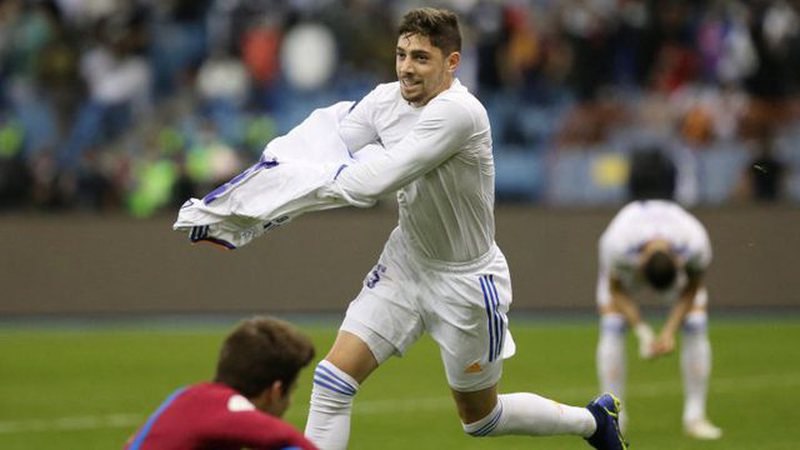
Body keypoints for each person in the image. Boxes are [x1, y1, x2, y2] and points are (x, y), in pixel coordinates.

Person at [303, 8, 626, 450]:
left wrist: (302, 192)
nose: (406, 68)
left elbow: (378, 181)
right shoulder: (385, 100)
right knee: (332, 381)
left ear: (451, 62)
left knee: (481, 420)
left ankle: (593, 422)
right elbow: (328, 146)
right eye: (401, 55)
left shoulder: (461, 113)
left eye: (420, 57)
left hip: (466, 283)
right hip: (407, 262)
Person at [595, 199, 723, 440]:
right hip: (626, 261)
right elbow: (616, 291)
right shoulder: (617, 245)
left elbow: (691, 290)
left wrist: (668, 332)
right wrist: (643, 332)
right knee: (612, 324)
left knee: (696, 322)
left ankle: (695, 418)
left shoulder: (695, 243)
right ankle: (613, 420)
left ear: (678, 262)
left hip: (666, 256)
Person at [123, 316, 318, 450]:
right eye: (292, 390)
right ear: (275, 392)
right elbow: (288, 440)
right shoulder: (234, 410)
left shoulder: (185, 395)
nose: (289, 402)